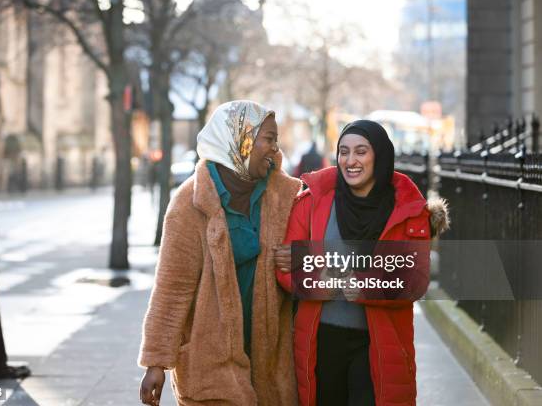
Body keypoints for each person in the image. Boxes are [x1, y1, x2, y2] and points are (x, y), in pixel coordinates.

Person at [274, 120, 449, 406]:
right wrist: (318, 282)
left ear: (379, 155)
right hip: (321, 342)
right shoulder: (311, 202)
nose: (350, 160)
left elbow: (415, 279)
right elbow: (284, 267)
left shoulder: (408, 211)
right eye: (344, 151)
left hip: (379, 343)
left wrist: (367, 286)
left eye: (361, 151)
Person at [139, 100, 301, 406]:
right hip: (210, 360)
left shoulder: (289, 194)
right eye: (268, 139)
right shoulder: (189, 203)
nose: (275, 149)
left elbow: (316, 255)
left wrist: (301, 260)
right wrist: (156, 363)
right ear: (241, 141)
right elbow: (172, 289)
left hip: (274, 357)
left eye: (275, 140)